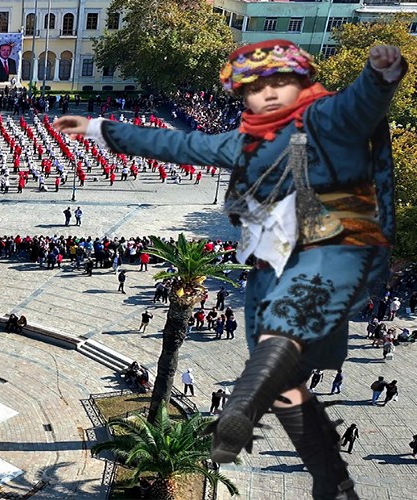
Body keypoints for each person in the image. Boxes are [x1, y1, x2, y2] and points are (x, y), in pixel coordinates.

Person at [53, 41, 406, 498]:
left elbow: (359, 104)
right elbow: (178, 143)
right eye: (254, 91)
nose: (266, 97)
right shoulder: (246, 140)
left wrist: (379, 77)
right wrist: (99, 127)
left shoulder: (324, 119)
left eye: (278, 85)